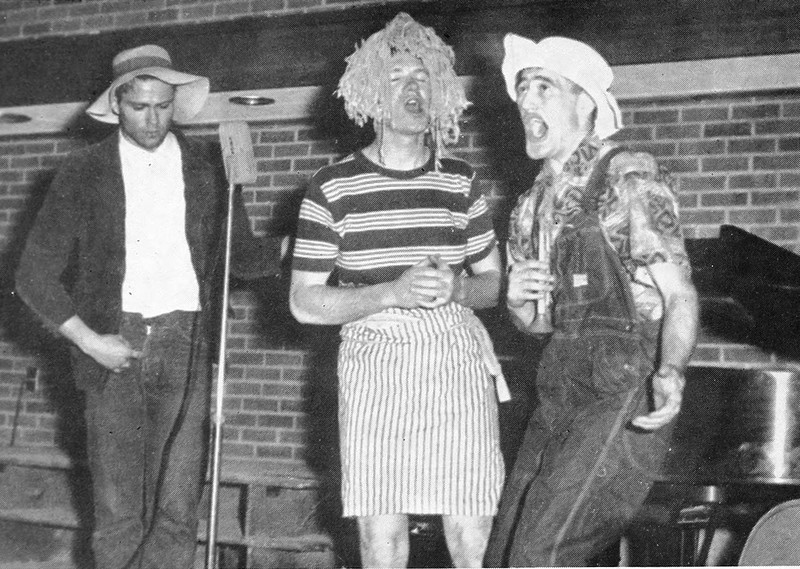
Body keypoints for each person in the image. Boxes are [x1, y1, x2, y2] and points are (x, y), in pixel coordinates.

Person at [14, 45, 282, 569]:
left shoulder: (209, 166)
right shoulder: (82, 171)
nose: (154, 119)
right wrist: (91, 342)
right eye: (140, 107)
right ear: (117, 103)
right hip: (114, 346)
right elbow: (33, 276)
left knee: (177, 508)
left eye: (163, 105)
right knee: (118, 512)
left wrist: (307, 244)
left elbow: (243, 256)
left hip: (187, 344)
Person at [289, 13, 506, 568]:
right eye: (397, 78)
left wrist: (458, 289)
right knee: (380, 534)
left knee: (473, 528)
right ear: (370, 93)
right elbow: (304, 301)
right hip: (375, 360)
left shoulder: (461, 180)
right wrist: (390, 293)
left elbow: (494, 284)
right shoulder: (331, 187)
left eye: (423, 78)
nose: (414, 90)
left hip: (455, 358)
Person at [484, 34, 700, 566]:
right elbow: (541, 325)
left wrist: (671, 370)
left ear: (585, 103)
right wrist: (517, 304)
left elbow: (679, 293)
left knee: (539, 554)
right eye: (522, 89)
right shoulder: (530, 205)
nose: (526, 100)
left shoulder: (626, 176)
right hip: (560, 384)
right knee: (503, 555)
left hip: (625, 385)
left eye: (544, 87)